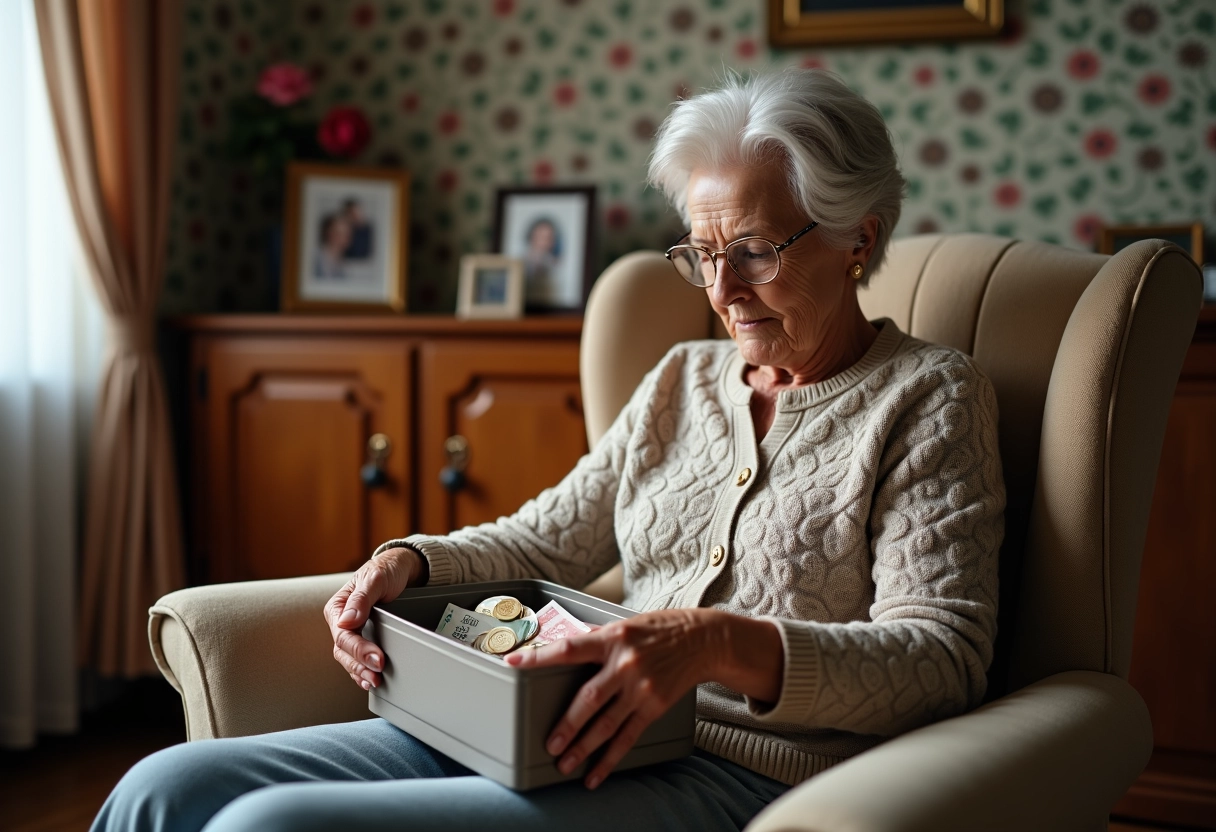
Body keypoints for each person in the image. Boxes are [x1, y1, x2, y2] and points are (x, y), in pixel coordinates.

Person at [92, 68, 1005, 832]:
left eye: (757, 251)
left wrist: (716, 645)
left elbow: (940, 657)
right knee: (160, 788)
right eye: (701, 254)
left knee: (268, 827)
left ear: (859, 240)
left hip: (737, 776)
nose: (722, 291)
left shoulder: (929, 397)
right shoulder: (683, 380)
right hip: (547, 723)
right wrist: (409, 561)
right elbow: (545, 541)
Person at [521, 216, 560, 304]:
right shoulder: (520, 262)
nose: (544, 242)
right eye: (541, 237)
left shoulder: (553, 263)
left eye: (548, 238)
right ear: (532, 237)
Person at [313, 213, 352, 279]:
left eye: (346, 235)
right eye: (338, 233)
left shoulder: (343, 263)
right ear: (327, 233)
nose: (343, 239)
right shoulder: (316, 257)